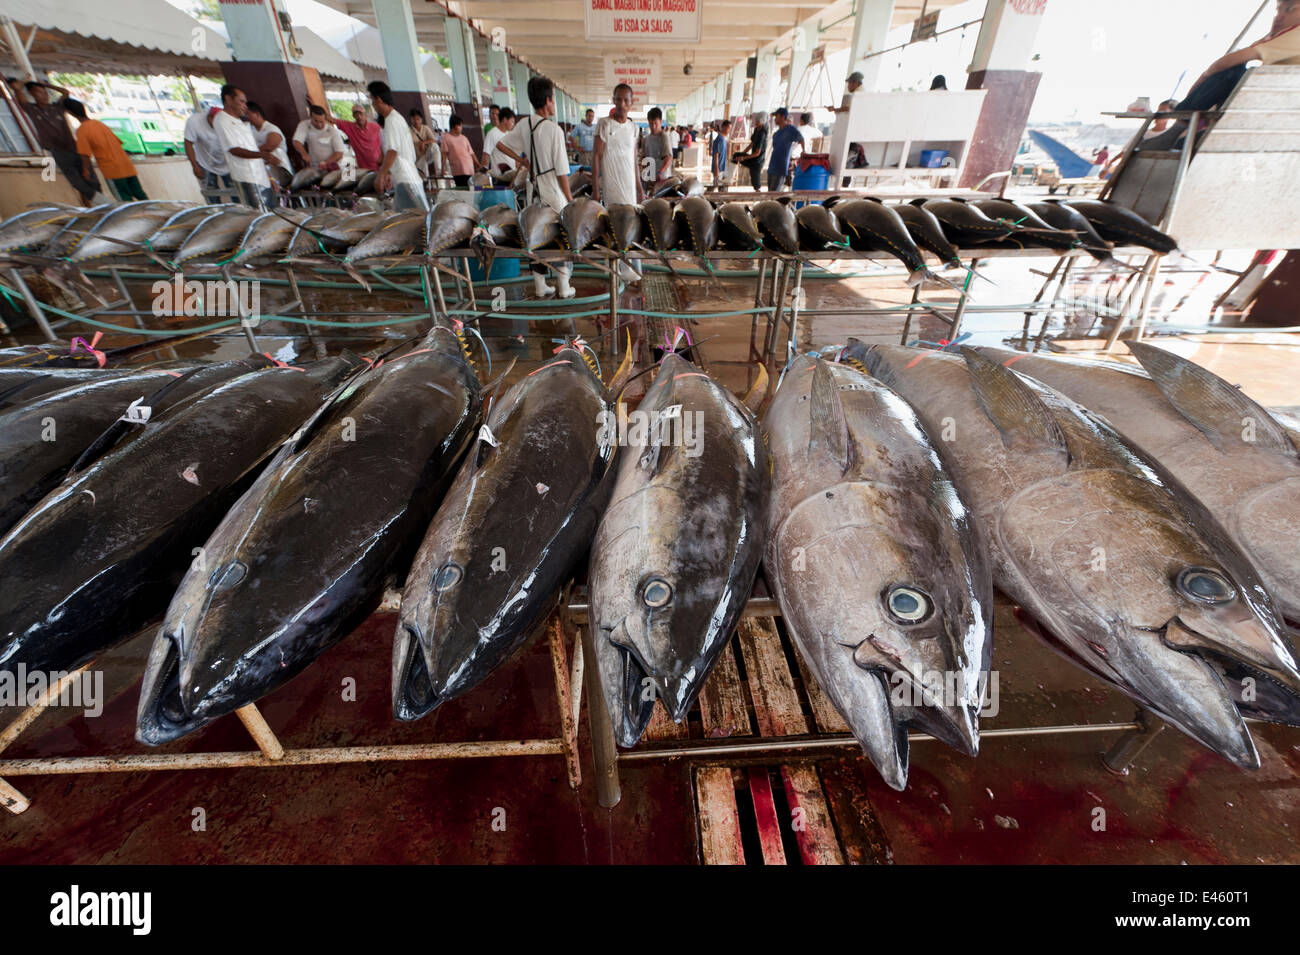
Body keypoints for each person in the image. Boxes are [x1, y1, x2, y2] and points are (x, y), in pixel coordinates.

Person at [1144, 0, 1300, 150]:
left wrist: (1204, 77)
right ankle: (1187, 124)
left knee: (1233, 69)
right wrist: (1270, 35)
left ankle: (1183, 120)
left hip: (1272, 115)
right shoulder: (1283, 39)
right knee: (1185, 145)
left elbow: (1232, 60)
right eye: (1277, 10)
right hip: (1271, 112)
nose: (1279, 16)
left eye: (1290, 9)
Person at [496, 75, 576, 299]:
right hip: (552, 193)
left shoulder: (524, 124)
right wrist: (570, 201)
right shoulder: (554, 131)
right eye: (552, 99)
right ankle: (563, 285)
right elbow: (562, 172)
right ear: (548, 100)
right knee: (559, 237)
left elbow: (500, 144)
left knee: (536, 237)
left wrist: (522, 160)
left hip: (533, 193)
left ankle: (540, 287)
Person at [592, 82, 641, 283]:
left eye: (626, 100)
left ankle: (631, 270)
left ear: (631, 103)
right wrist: (596, 188)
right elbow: (596, 156)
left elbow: (634, 159)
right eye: (618, 99)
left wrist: (640, 187)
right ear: (613, 101)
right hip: (612, 189)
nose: (622, 104)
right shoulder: (604, 124)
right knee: (613, 227)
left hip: (630, 190)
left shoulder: (634, 128)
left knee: (632, 226)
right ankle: (614, 271)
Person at [21, 81, 100, 204]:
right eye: (40, 93)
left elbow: (65, 92)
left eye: (45, 93)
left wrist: (45, 84)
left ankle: (100, 203)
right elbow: (18, 93)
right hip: (58, 151)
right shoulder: (32, 109)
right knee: (76, 181)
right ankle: (96, 203)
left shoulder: (57, 107)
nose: (44, 95)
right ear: (32, 94)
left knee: (90, 178)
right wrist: (22, 84)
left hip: (74, 147)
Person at [64, 98, 146, 201]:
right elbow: (117, 142)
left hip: (112, 170)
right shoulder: (100, 124)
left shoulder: (82, 130)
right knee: (140, 195)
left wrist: (85, 170)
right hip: (126, 165)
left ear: (70, 112)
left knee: (124, 200)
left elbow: (85, 154)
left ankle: (135, 217)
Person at [367, 81, 427, 210]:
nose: (373, 105)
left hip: (405, 178)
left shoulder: (391, 120)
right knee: (408, 218)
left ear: (378, 99)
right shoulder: (396, 118)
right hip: (407, 177)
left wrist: (381, 175)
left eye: (372, 101)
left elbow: (392, 151)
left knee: (416, 219)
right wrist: (388, 171)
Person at [213, 85, 273, 208]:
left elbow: (252, 148)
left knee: (272, 213)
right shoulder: (222, 120)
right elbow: (234, 149)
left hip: (260, 176)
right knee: (259, 217)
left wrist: (269, 177)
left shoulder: (240, 121)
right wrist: (262, 154)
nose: (245, 106)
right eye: (241, 101)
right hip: (247, 177)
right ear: (228, 99)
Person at [184, 106, 231, 203]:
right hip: (205, 162)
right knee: (212, 196)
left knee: (237, 194)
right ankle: (216, 215)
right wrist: (195, 166)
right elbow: (188, 143)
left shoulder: (228, 124)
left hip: (227, 163)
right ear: (209, 117)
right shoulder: (194, 121)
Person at [246, 101, 290, 188]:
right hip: (264, 172)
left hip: (280, 170)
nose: (246, 118)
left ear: (257, 114)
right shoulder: (250, 129)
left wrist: (251, 153)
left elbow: (270, 146)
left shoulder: (271, 128)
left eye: (248, 115)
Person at [330, 103, 382, 172]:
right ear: (353, 116)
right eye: (356, 114)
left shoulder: (376, 127)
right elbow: (332, 119)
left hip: (379, 166)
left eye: (361, 114)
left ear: (365, 115)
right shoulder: (350, 127)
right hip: (363, 168)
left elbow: (385, 143)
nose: (359, 117)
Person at [293, 105, 346, 172]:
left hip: (333, 166)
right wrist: (304, 154)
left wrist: (325, 163)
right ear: (310, 117)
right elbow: (297, 141)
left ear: (325, 119)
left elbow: (339, 153)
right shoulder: (304, 125)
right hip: (315, 166)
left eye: (321, 121)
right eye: (316, 121)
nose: (319, 124)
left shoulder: (332, 131)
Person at [766, 107, 802, 192]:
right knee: (770, 192)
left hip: (780, 168)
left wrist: (803, 153)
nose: (775, 119)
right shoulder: (776, 134)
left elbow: (801, 139)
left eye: (777, 116)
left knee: (774, 194)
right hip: (772, 166)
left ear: (782, 117)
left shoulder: (790, 129)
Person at [441, 114, 480, 187]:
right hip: (458, 171)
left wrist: (478, 165)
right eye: (460, 126)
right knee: (462, 191)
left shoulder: (464, 138)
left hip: (469, 169)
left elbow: (472, 153)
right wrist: (442, 168)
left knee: (471, 189)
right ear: (455, 126)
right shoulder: (446, 138)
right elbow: (444, 155)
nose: (461, 128)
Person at [733, 110, 768, 190]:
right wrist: (742, 153)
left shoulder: (763, 133)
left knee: (756, 185)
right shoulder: (756, 130)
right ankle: (730, 177)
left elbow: (757, 153)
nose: (755, 121)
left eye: (757, 120)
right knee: (735, 155)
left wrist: (743, 158)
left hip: (757, 161)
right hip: (753, 158)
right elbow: (752, 143)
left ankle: (759, 197)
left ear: (762, 121)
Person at [640, 107, 672, 194]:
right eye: (651, 123)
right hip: (650, 179)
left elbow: (668, 158)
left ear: (661, 122)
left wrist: (660, 173)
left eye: (656, 123)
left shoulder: (664, 137)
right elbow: (644, 158)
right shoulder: (646, 139)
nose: (653, 126)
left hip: (663, 178)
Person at [482, 106, 517, 178]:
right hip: (500, 177)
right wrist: (483, 175)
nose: (513, 124)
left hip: (511, 176)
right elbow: (486, 155)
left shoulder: (509, 134)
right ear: (504, 120)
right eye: (512, 121)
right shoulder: (492, 134)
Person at [409, 109, 440, 180]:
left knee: (435, 146)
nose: (416, 121)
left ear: (421, 120)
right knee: (424, 177)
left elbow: (434, 140)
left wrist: (423, 142)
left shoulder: (425, 128)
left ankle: (439, 170)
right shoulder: (408, 130)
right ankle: (427, 186)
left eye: (418, 119)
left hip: (427, 154)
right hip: (418, 158)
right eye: (414, 119)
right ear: (411, 120)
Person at [710, 118, 730, 185]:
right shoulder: (720, 140)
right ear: (723, 127)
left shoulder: (723, 139)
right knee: (717, 186)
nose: (729, 130)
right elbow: (716, 155)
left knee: (722, 187)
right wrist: (716, 169)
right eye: (728, 128)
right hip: (719, 169)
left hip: (723, 168)